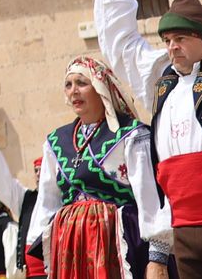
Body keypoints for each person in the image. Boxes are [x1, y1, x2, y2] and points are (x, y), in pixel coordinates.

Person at [97, 0, 202, 276]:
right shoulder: (162, 81)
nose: (171, 46)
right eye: (167, 40)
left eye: (181, 37)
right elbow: (122, 48)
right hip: (185, 231)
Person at [28, 55, 172, 278]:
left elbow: (150, 199)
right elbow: (47, 202)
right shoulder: (56, 141)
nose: (73, 90)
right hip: (72, 251)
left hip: (119, 244)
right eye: (68, 84)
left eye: (82, 83)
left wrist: (157, 258)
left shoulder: (130, 135)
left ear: (100, 88)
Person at [0, 120, 46, 278]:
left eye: (43, 169)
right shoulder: (26, 199)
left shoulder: (63, 198)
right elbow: (2, 181)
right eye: (36, 170)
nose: (39, 174)